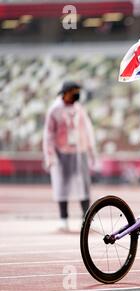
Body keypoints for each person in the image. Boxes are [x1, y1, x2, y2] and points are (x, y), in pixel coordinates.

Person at [43, 81, 97, 231]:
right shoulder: (54, 110)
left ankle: (86, 219)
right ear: (65, 93)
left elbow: (87, 130)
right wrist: (50, 156)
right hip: (62, 153)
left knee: (84, 186)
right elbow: (48, 135)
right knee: (62, 185)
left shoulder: (79, 109)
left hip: (80, 152)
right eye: (74, 91)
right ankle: (63, 219)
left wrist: (91, 150)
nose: (77, 95)